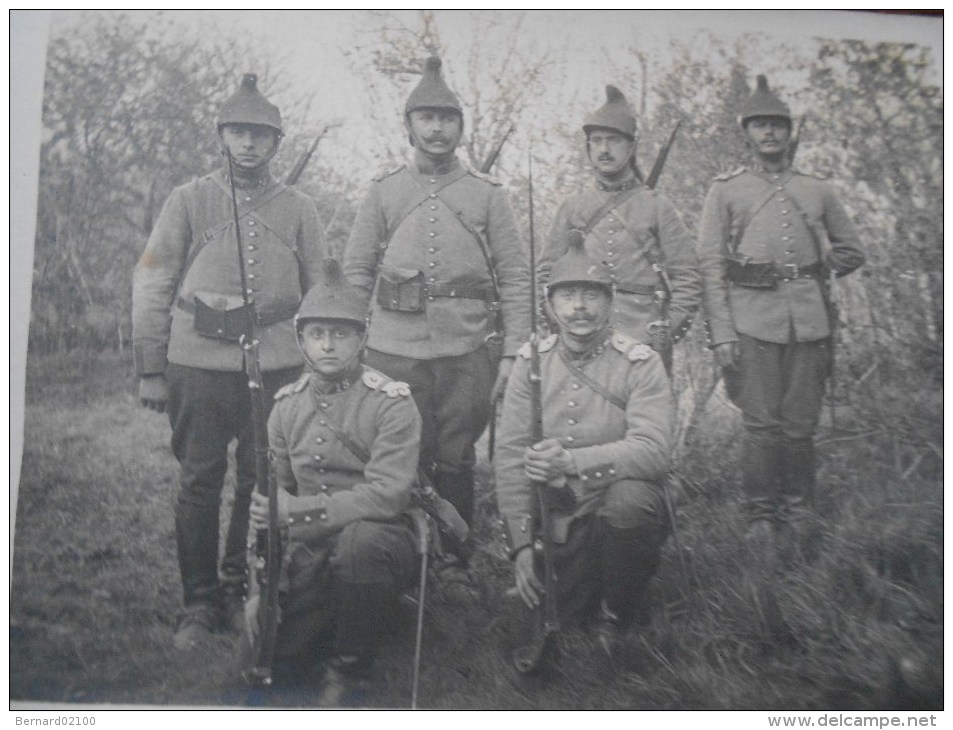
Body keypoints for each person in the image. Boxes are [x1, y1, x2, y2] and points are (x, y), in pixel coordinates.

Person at [132, 73, 326, 650]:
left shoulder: (299, 208)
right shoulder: (189, 199)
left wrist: (319, 363)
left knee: (262, 478)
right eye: (239, 133)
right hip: (197, 362)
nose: (249, 144)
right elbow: (154, 278)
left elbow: (321, 289)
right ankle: (198, 602)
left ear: (275, 143)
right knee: (199, 477)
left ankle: (246, 582)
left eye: (260, 136)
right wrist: (150, 365)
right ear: (222, 136)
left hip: (277, 365)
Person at [343, 56, 530, 540]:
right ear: (408, 126)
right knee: (399, 449)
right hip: (392, 348)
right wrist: (348, 343)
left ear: (461, 128)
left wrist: (513, 351)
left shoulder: (488, 195)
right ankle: (402, 550)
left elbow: (514, 275)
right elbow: (357, 271)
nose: (437, 129)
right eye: (427, 118)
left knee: (456, 454)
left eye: (448, 119)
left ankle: (454, 557)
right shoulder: (383, 192)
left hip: (465, 350)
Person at [243, 259, 421, 706]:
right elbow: (273, 496)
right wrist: (256, 585)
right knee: (269, 666)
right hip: (312, 542)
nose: (328, 346)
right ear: (301, 340)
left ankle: (353, 671)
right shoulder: (284, 406)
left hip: (381, 535)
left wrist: (297, 513)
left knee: (357, 550)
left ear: (361, 339)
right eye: (317, 334)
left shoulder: (391, 403)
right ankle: (354, 618)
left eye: (340, 334)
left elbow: (389, 495)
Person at [696, 75, 864, 534]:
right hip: (753, 321)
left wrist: (829, 256)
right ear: (747, 134)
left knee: (801, 424)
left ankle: (799, 509)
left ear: (790, 132)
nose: (769, 133)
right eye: (760, 126)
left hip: (810, 321)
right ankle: (760, 515)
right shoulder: (727, 189)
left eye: (777, 125)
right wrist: (723, 333)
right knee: (761, 424)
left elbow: (853, 251)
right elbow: (710, 264)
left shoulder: (817, 189)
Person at [494, 230, 673, 642]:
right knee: (544, 618)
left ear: (610, 303)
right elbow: (509, 458)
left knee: (629, 506)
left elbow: (653, 453)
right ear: (550, 305)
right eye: (567, 296)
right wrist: (520, 548)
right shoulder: (530, 363)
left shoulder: (640, 363)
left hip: (614, 500)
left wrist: (573, 463)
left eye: (591, 296)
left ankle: (618, 613)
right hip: (557, 510)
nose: (579, 308)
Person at [540, 85, 701, 373]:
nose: (604, 149)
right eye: (596, 141)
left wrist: (668, 328)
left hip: (644, 337)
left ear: (631, 146)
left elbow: (687, 274)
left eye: (613, 140)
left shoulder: (658, 207)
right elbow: (546, 275)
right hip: (582, 335)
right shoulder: (572, 207)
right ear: (588, 147)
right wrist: (562, 325)